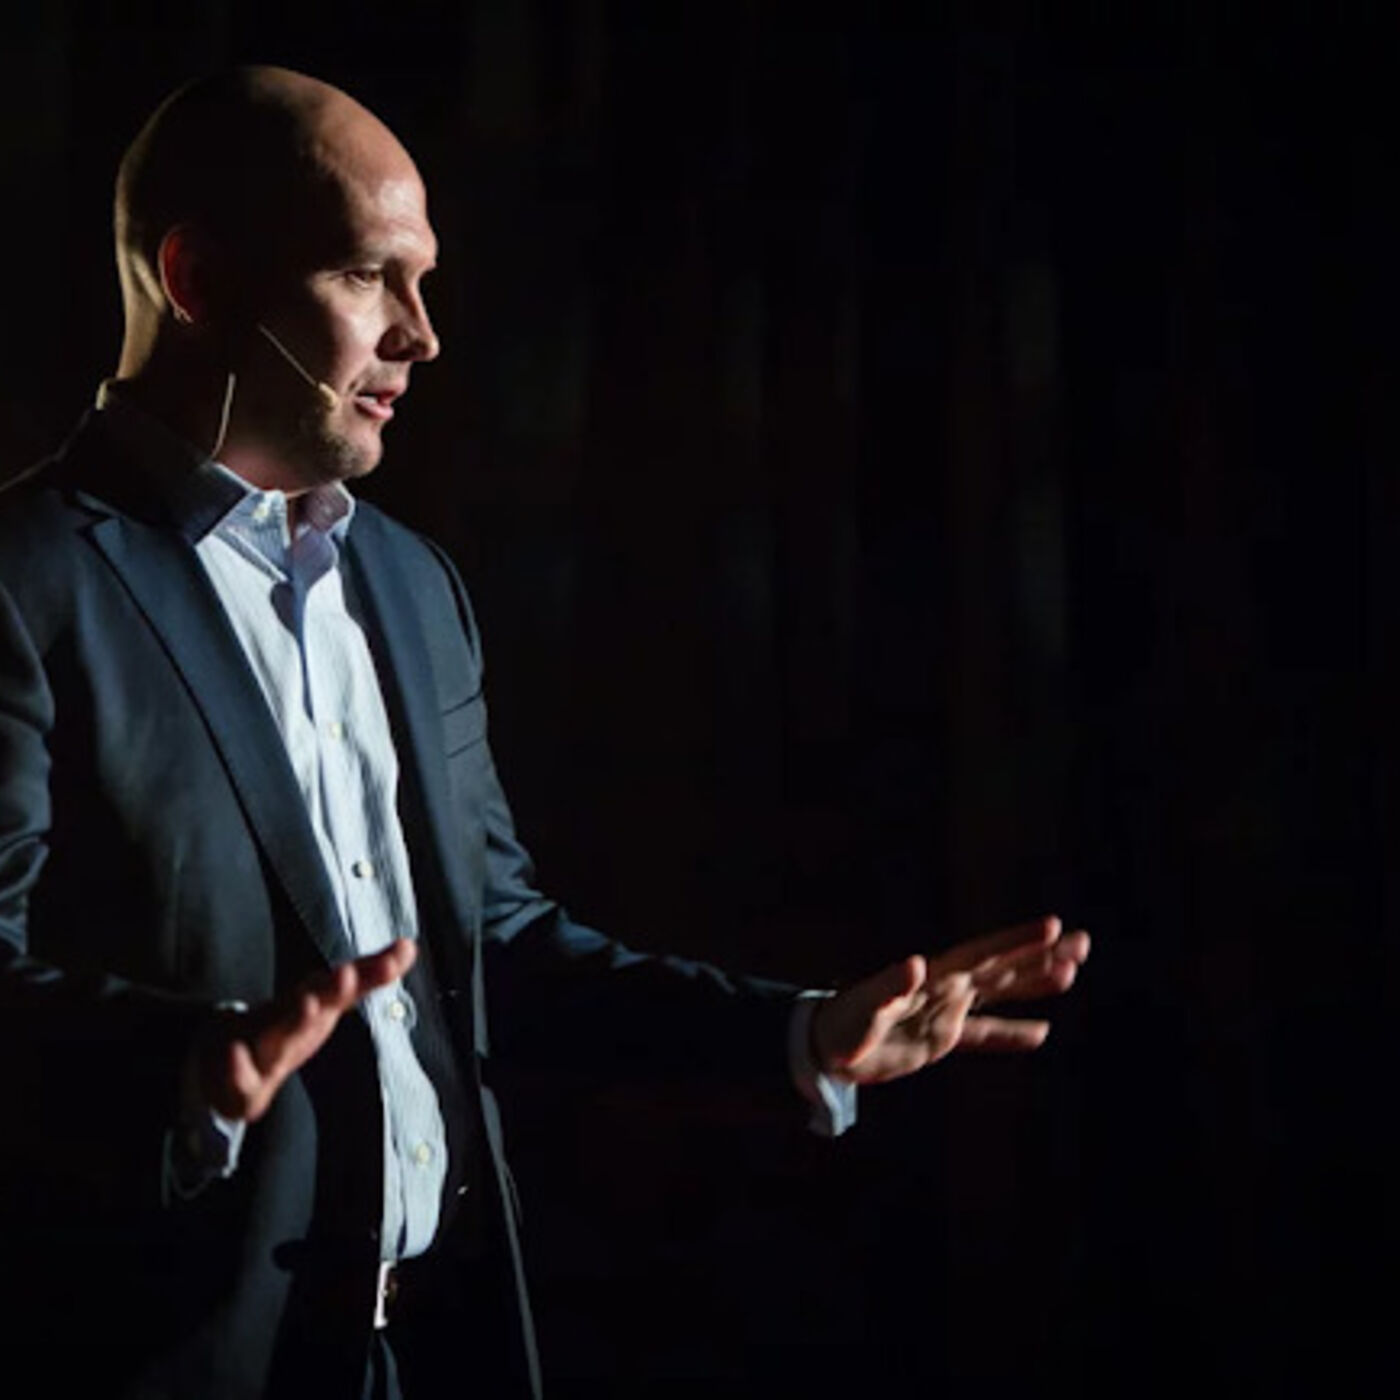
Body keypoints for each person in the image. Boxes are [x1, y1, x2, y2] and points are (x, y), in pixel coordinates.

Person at [0, 66, 1089, 1400]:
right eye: (370, 277)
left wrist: (803, 1036)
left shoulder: (411, 586)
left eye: (426, 283)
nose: (421, 335)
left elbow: (494, 951)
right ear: (198, 280)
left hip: (433, 1353)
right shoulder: (23, 583)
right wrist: (183, 1072)